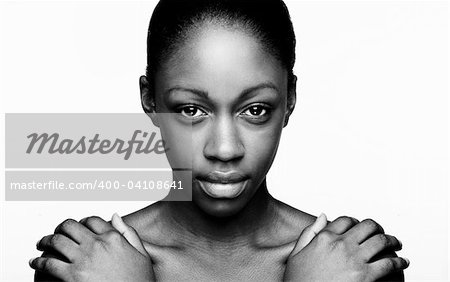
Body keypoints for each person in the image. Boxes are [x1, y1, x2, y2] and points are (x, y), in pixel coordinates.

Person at [30, 0, 409, 280]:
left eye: (255, 109)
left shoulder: (357, 267)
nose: (225, 150)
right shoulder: (80, 268)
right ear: (150, 99)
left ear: (290, 98)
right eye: (191, 110)